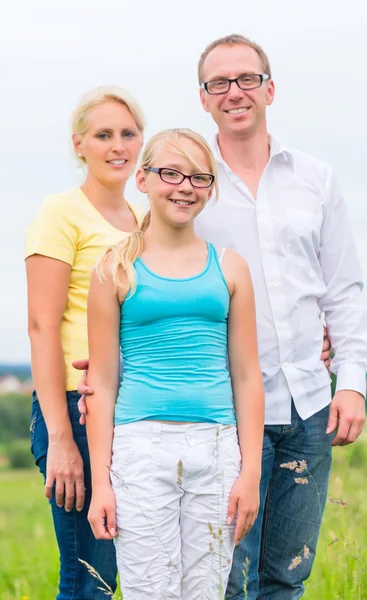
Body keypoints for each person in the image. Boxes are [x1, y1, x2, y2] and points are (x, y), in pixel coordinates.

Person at [194, 35, 367, 599]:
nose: (234, 92)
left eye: (246, 79)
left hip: (308, 407)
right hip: (224, 409)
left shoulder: (315, 179)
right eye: (218, 82)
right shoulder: (190, 184)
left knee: (287, 578)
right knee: (228, 579)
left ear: (270, 89)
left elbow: (343, 289)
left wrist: (352, 385)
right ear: (203, 99)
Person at [84, 128, 264, 600]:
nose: (185, 186)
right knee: (149, 591)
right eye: (171, 173)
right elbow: (101, 380)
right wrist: (100, 483)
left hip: (219, 447)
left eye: (199, 177)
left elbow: (246, 376)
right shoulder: (114, 268)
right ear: (142, 180)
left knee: (206, 592)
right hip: (141, 449)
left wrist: (250, 474)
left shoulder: (230, 267)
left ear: (210, 188)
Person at [25, 86, 145, 599]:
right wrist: (60, 438)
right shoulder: (61, 212)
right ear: (79, 145)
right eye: (103, 135)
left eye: (128, 133)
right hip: (74, 411)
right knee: (87, 583)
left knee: (119, 578)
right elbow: (41, 326)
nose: (118, 146)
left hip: (130, 407)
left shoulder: (143, 220)